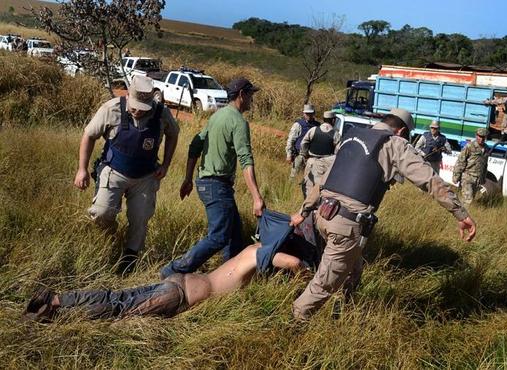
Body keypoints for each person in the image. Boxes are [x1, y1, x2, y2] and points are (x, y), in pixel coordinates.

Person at [289, 108, 477, 320]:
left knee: (353, 270)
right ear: (402, 131)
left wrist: (303, 212)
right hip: (346, 225)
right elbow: (430, 180)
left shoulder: (352, 137)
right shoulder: (394, 144)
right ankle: (293, 324)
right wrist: (460, 213)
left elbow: (323, 181)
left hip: (323, 215)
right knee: (324, 284)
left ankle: (341, 317)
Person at [23, 210, 318, 322]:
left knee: (117, 298)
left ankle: (57, 300)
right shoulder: (257, 254)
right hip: (179, 296)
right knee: (118, 310)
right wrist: (305, 272)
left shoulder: (251, 247)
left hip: (178, 284)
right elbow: (289, 261)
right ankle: (56, 311)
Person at [159, 78, 265, 279]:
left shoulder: (217, 116)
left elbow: (195, 145)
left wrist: (188, 179)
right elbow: (246, 160)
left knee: (234, 235)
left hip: (206, 183)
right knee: (219, 236)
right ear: (242, 94)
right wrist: (257, 198)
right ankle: (173, 271)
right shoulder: (238, 122)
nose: (252, 99)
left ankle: (231, 278)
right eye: (251, 94)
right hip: (217, 186)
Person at [73, 75, 179, 273]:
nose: (138, 111)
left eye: (143, 107)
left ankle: (129, 258)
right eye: (134, 106)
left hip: (145, 177)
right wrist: (82, 169)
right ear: (129, 96)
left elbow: (174, 134)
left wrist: (165, 165)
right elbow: (89, 135)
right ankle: (110, 239)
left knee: (140, 218)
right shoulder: (111, 109)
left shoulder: (161, 113)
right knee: (102, 213)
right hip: (113, 171)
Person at [299, 110, 339, 197]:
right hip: (325, 165)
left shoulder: (313, 130)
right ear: (333, 120)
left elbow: (304, 143)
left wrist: (304, 154)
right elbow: (337, 152)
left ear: (324, 119)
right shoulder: (335, 134)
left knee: (307, 186)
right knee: (320, 189)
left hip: (311, 161)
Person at [452, 128, 489, 206]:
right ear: (476, 136)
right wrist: (456, 176)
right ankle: (464, 216)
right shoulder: (469, 146)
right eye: (480, 136)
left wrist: (483, 178)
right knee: (468, 200)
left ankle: (458, 212)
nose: (481, 139)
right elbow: (461, 161)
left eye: (483, 137)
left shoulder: (486, 148)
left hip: (477, 179)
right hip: (467, 177)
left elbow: (485, 164)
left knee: (469, 198)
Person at [286, 104, 321, 179]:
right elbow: (291, 140)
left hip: (313, 157)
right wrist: (289, 154)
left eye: (310, 113)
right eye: (307, 113)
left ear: (313, 113)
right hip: (299, 155)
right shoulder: (298, 125)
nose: (308, 115)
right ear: (304, 113)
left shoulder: (318, 126)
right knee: (293, 177)